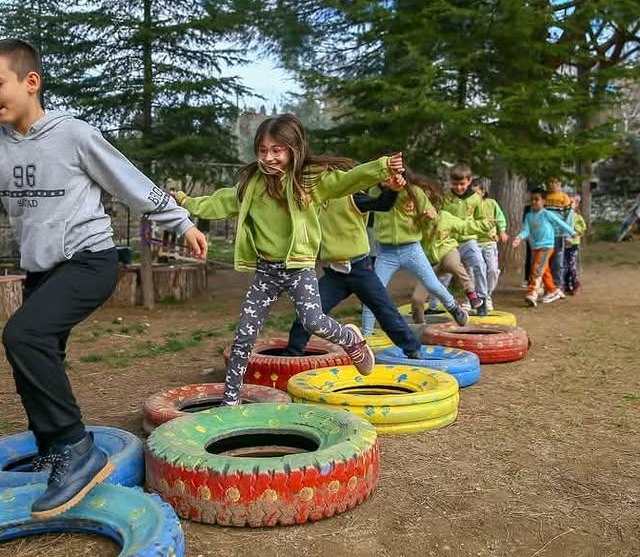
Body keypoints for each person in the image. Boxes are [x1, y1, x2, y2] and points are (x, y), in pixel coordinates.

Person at [0, 38, 208, 518]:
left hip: (89, 260)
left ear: (31, 82)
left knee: (23, 334)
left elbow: (126, 179)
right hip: (41, 270)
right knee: (35, 353)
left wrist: (182, 222)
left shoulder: (72, 134)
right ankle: (52, 444)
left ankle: (77, 449)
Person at [175, 114, 405, 405]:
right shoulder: (251, 185)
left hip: (298, 268)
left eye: (276, 150)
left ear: (293, 150)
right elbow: (217, 202)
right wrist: (184, 201)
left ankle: (350, 340)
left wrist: (382, 167)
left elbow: (348, 180)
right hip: (266, 270)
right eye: (262, 150)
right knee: (244, 334)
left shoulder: (309, 182)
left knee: (313, 321)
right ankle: (230, 400)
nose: (268, 157)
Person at [283, 174, 423, 359]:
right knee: (309, 310)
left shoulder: (353, 197)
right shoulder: (314, 202)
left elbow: (382, 204)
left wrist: (393, 190)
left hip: (360, 270)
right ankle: (292, 354)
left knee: (385, 310)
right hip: (334, 274)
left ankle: (413, 350)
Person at [360, 172, 469, 336]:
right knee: (373, 292)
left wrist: (430, 216)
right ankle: (365, 335)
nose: (384, 181)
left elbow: (431, 214)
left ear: (399, 176)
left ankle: (453, 307)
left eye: (389, 176)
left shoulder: (414, 192)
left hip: (411, 249)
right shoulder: (375, 192)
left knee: (432, 284)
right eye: (381, 175)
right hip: (386, 253)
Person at [410, 176, 490, 323]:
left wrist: (485, 226)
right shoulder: (416, 221)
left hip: (448, 252)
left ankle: (471, 293)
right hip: (429, 263)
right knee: (417, 298)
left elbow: (465, 226)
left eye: (431, 203)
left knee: (453, 264)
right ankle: (419, 326)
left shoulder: (446, 217)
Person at [442, 163, 490, 315]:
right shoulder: (445, 197)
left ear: (469, 181)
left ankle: (482, 301)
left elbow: (483, 221)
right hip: (449, 242)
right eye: (455, 184)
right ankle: (435, 304)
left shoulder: (476, 198)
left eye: (462, 184)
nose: (458, 187)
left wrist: (468, 227)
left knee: (480, 266)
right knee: (444, 271)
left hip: (468, 240)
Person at [513, 189, 575, 307]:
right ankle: (553, 290)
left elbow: (560, 222)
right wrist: (519, 238)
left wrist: (572, 232)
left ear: (544, 201)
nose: (534, 202)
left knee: (537, 268)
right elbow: (526, 230)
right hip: (535, 246)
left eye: (537, 199)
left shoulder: (547, 214)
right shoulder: (529, 216)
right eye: (532, 200)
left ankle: (532, 293)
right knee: (544, 270)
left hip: (547, 245)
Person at [470, 178, 509, 311]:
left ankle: (486, 295)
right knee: (474, 271)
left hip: (489, 244)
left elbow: (500, 218)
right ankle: (472, 297)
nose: (474, 196)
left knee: (492, 270)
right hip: (474, 243)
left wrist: (502, 231)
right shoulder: (469, 206)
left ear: (483, 192)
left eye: (476, 193)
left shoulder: (491, 203)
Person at [545, 177, 574, 294]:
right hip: (546, 234)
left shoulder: (564, 198)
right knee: (546, 260)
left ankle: (558, 285)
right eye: (550, 182)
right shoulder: (545, 197)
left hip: (559, 234)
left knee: (558, 260)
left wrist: (568, 235)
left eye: (555, 182)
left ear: (560, 183)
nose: (553, 185)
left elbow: (569, 217)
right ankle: (548, 285)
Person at [564, 194, 586, 295]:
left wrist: (575, 231)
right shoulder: (564, 216)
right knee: (564, 265)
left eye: (572, 202)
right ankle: (566, 284)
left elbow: (582, 229)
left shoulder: (578, 217)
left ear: (576, 204)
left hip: (573, 244)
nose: (569, 204)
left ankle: (576, 283)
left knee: (572, 264)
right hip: (564, 244)